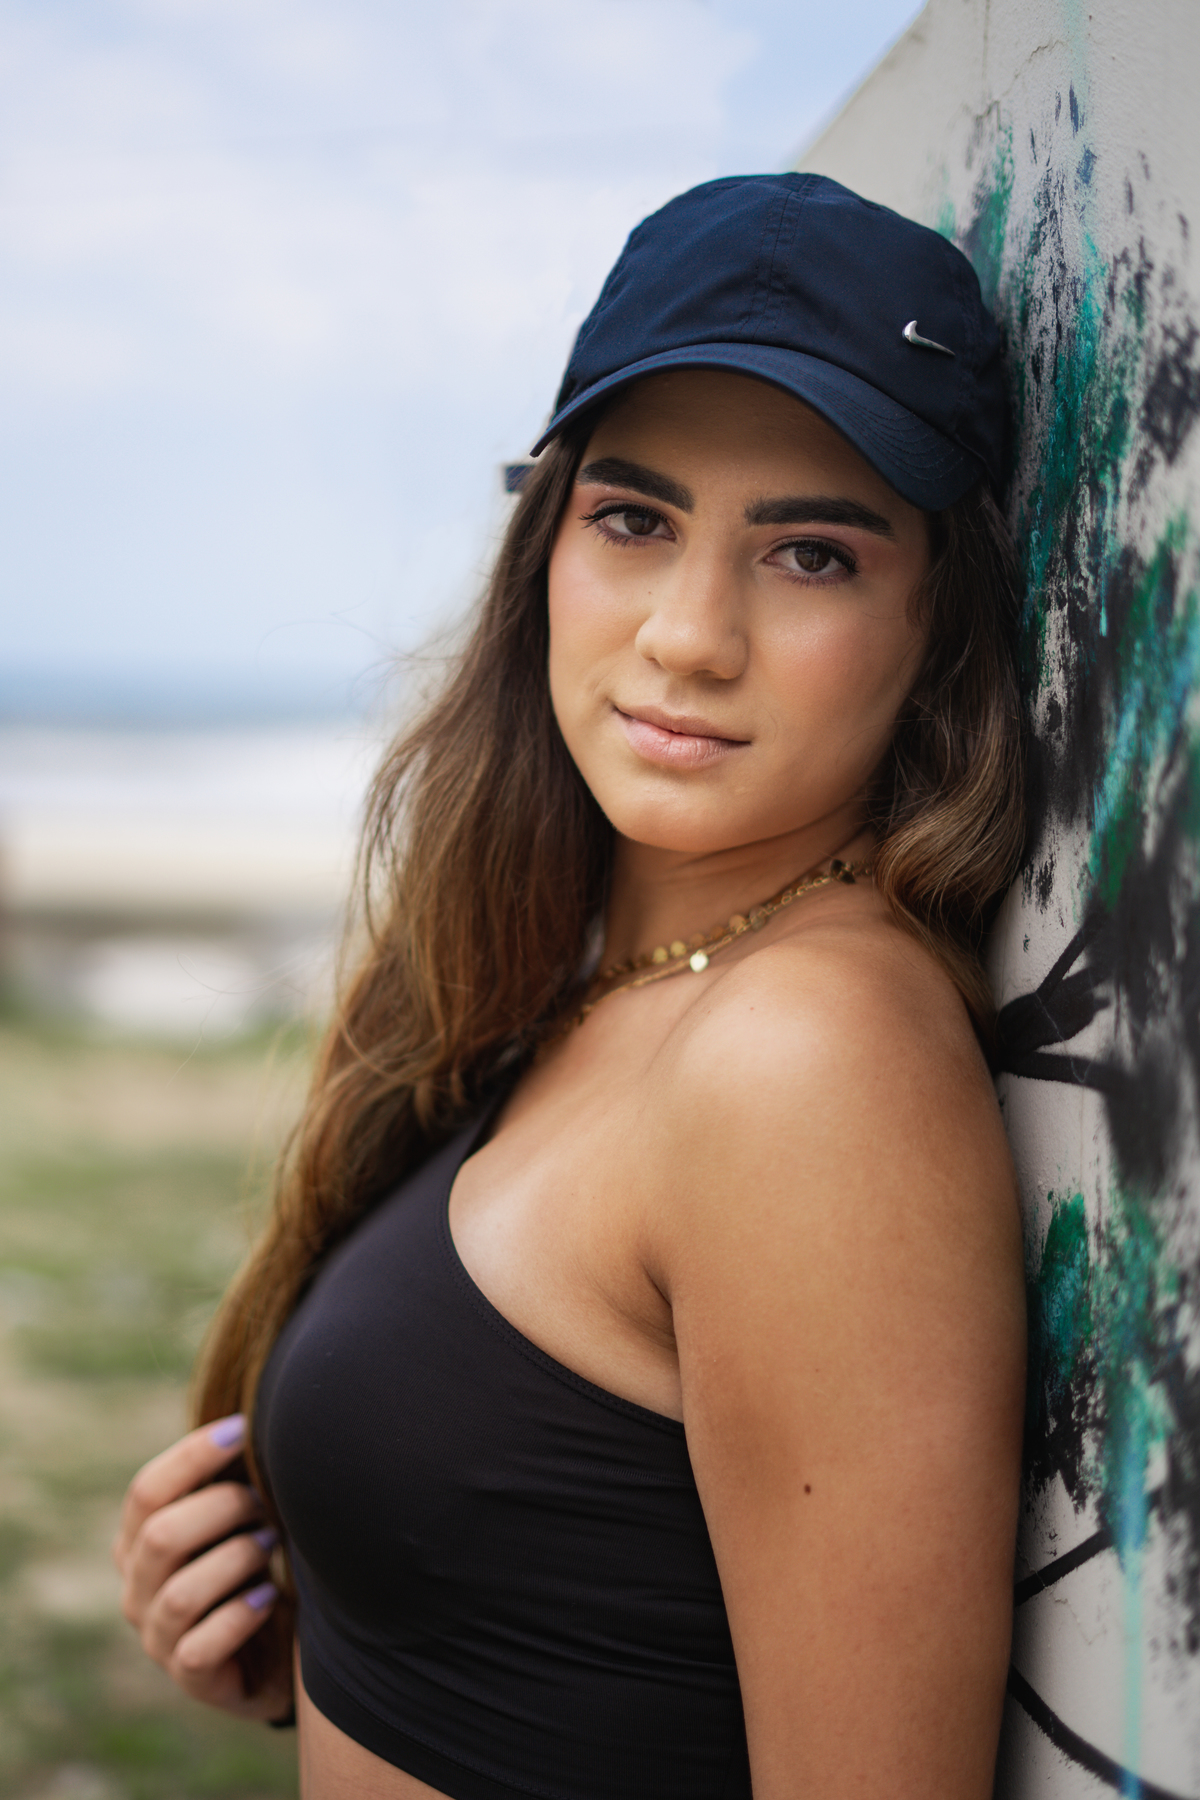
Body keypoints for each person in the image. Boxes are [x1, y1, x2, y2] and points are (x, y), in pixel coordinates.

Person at [114, 173, 1027, 1799]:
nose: (689, 635)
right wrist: (314, 1638)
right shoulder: (581, 978)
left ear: (933, 628)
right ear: (547, 541)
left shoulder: (808, 1054)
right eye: (635, 519)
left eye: (812, 555)